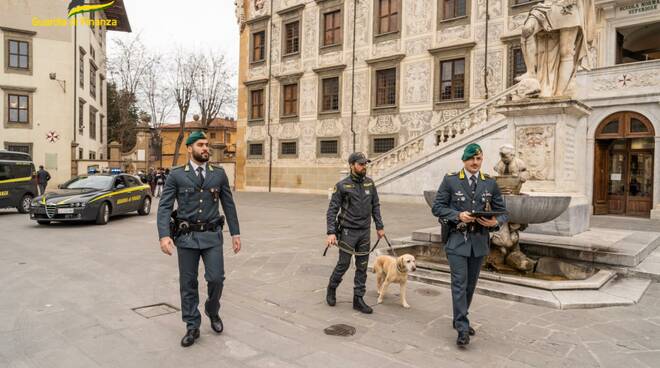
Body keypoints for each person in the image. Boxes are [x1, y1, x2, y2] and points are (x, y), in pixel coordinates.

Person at [156, 130, 242, 347]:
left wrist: (235, 233)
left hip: (212, 236)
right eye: (201, 145)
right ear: (189, 149)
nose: (206, 148)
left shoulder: (219, 174)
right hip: (186, 238)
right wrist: (164, 235)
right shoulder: (176, 175)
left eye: (207, 145)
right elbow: (165, 206)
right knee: (188, 283)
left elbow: (228, 205)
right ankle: (192, 325)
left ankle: (212, 310)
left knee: (216, 279)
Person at [431, 143, 507, 347]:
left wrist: (496, 222)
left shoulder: (489, 183)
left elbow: (503, 211)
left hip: (480, 242)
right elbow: (437, 207)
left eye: (479, 158)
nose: (475, 162)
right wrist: (457, 215)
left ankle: (459, 318)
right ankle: (463, 328)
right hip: (457, 240)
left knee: (470, 286)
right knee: (459, 283)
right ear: (464, 160)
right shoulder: (451, 180)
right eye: (471, 158)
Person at [325, 152, 385, 314]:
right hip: (347, 232)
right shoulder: (342, 185)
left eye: (365, 164)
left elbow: (376, 206)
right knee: (343, 264)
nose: (364, 166)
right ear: (352, 165)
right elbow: (332, 210)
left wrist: (379, 226)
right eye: (360, 164)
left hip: (365, 232)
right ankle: (331, 288)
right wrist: (331, 232)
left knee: (362, 267)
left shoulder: (370, 184)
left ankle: (358, 299)